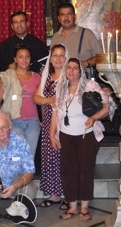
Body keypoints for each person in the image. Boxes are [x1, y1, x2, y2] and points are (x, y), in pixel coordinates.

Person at [50, 57, 108, 221]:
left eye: (75, 67)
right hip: (66, 135)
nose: (71, 71)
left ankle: (84, 207)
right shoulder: (60, 87)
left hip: (86, 134)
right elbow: (55, 112)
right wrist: (51, 134)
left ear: (80, 71)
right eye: (69, 67)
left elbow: (106, 107)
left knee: (85, 171)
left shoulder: (90, 86)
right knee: (68, 172)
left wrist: (94, 118)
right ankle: (73, 206)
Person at [33, 44, 68, 208]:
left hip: (66, 123)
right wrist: (48, 101)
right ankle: (54, 195)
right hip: (48, 121)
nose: (58, 59)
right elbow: (36, 98)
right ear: (51, 58)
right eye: (55, 55)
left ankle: (69, 195)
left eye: (62, 55)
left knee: (65, 159)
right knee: (50, 159)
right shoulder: (47, 77)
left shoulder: (70, 76)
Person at [0, 44, 41, 157]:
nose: (24, 60)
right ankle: (15, 175)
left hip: (33, 122)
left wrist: (43, 120)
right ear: (15, 59)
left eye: (27, 56)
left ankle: (27, 175)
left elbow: (41, 100)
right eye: (20, 57)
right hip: (13, 121)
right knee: (16, 155)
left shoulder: (37, 77)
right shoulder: (6, 76)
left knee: (29, 156)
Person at [0, 11, 48, 79]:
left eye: (22, 21)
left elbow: (46, 66)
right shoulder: (4, 46)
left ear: (27, 24)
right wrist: (8, 67)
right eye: (15, 22)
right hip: (11, 83)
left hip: (34, 84)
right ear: (12, 26)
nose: (19, 25)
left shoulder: (39, 45)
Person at [51, 3, 102, 68]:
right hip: (61, 77)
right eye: (62, 15)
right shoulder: (55, 37)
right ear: (59, 18)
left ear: (74, 16)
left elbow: (100, 57)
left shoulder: (87, 34)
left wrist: (86, 63)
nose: (66, 18)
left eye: (69, 14)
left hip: (83, 77)